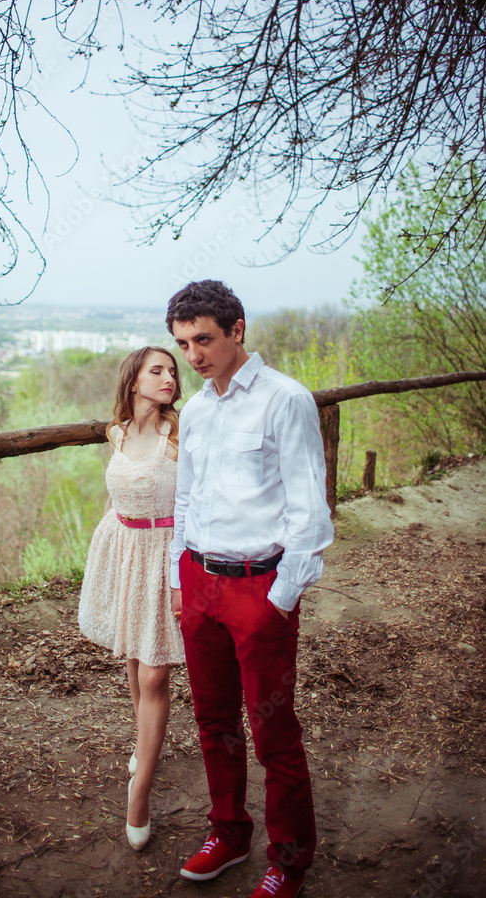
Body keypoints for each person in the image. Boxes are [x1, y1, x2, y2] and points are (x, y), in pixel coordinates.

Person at [167, 280, 333, 898]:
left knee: (273, 732)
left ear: (238, 330)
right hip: (200, 584)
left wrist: (280, 599)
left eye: (203, 339)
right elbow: (185, 499)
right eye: (183, 343)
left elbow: (309, 511)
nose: (193, 355)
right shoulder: (200, 408)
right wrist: (181, 575)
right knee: (214, 721)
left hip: (258, 588)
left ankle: (289, 861)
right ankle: (230, 833)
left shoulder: (285, 400)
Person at [78, 346, 184, 852]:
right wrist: (112, 551)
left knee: (155, 671)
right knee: (133, 655)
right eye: (157, 370)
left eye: (172, 371)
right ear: (134, 380)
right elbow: (118, 491)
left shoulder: (180, 435)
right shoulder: (116, 432)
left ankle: (139, 791)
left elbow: (194, 502)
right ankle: (143, 747)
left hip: (167, 558)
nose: (169, 377)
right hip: (124, 550)